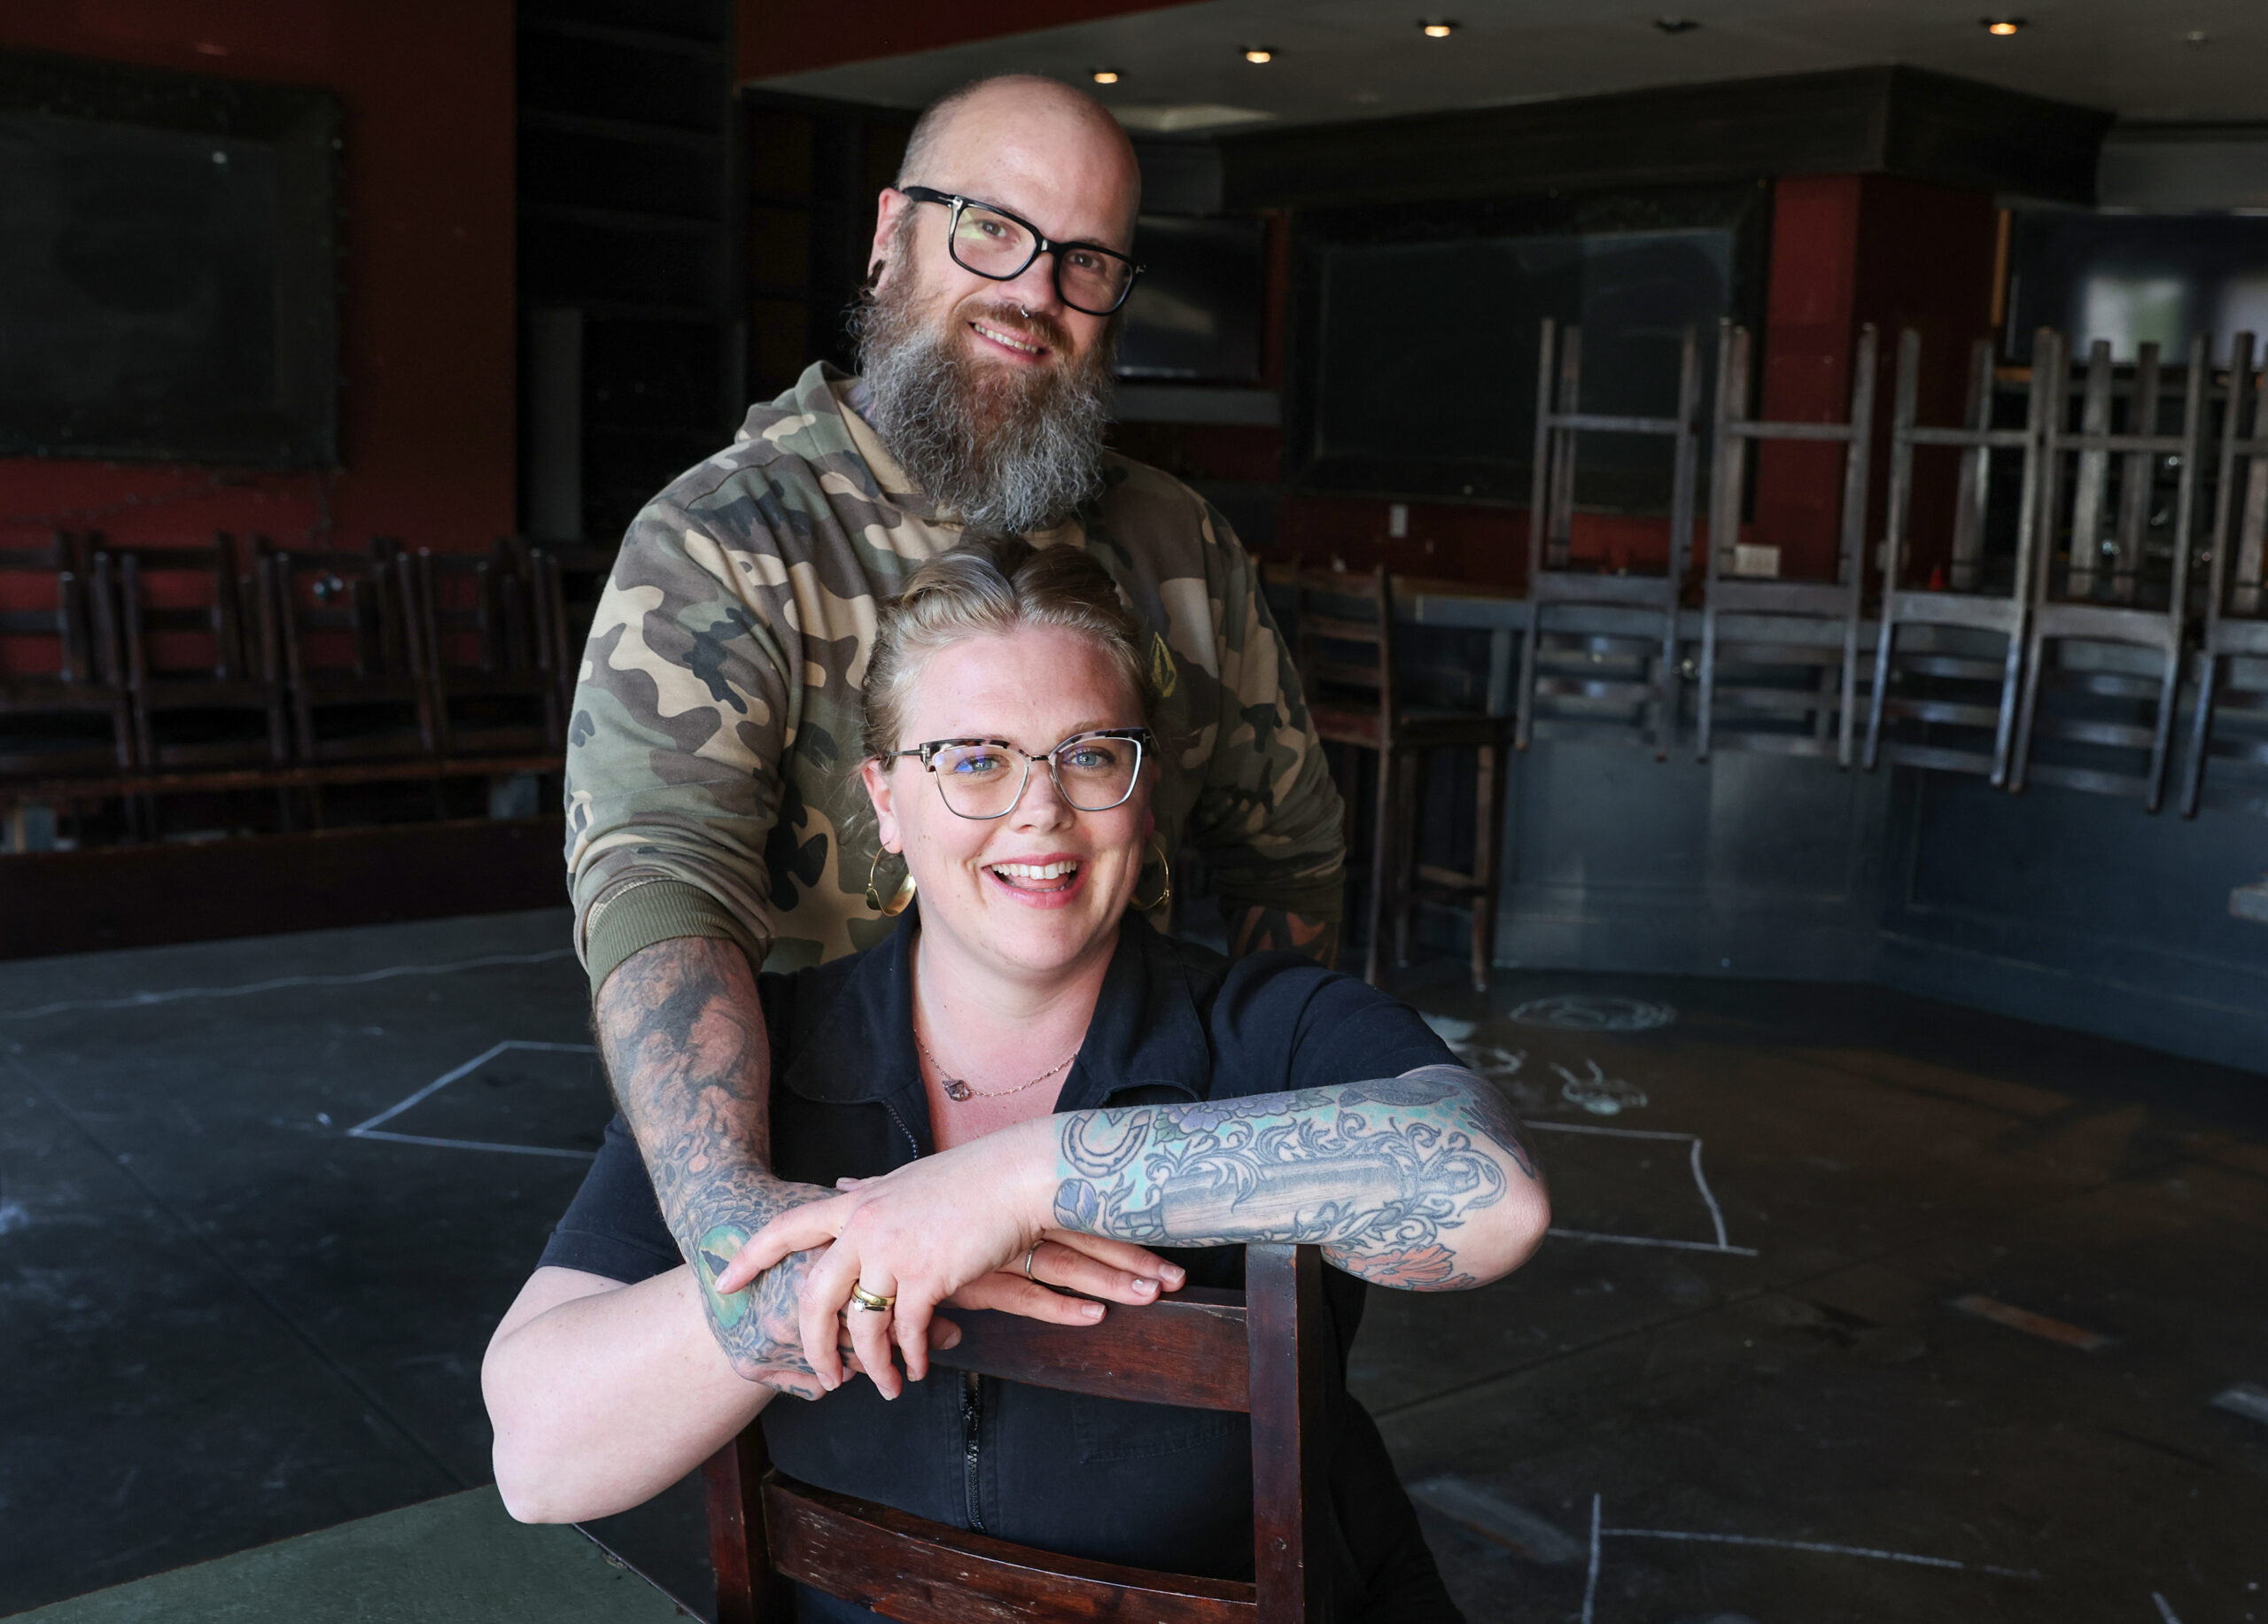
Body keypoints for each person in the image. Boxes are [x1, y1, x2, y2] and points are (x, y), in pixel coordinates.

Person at [493, 540, 1550, 1621]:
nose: (1040, 808)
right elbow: (538, 1459)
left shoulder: (1263, 1029)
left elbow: (1493, 1199)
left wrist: (1012, 1181)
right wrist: (831, 1274)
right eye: (973, 758)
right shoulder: (764, 1055)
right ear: (886, 804)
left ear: (1142, 791)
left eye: (1089, 754)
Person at [564, 72, 1347, 1374]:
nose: (1035, 291)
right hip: (825, 1196)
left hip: (1111, 1203)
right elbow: (660, 883)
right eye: (991, 227)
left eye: (1087, 261)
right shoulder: (726, 539)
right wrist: (733, 1231)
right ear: (890, 233)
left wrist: (1247, 1179)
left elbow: (1290, 850)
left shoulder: (1173, 540)